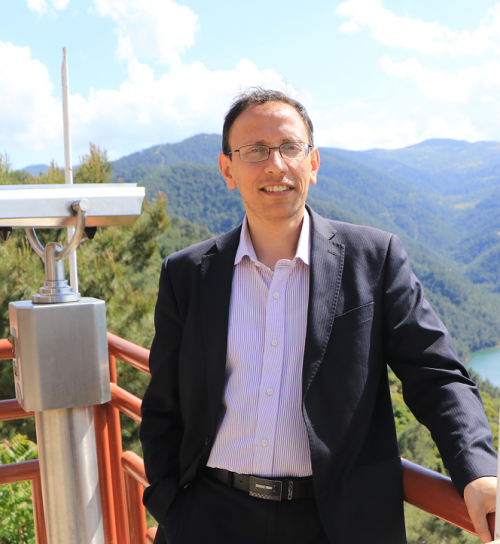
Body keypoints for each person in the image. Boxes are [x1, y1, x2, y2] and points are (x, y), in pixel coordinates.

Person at [140, 88, 497, 544]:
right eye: (255, 151)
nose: (276, 165)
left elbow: (436, 374)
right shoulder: (187, 273)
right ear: (228, 170)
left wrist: (478, 470)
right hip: (210, 517)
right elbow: (163, 405)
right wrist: (172, 506)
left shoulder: (375, 259)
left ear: (313, 163)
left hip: (336, 523)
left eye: (290, 147)